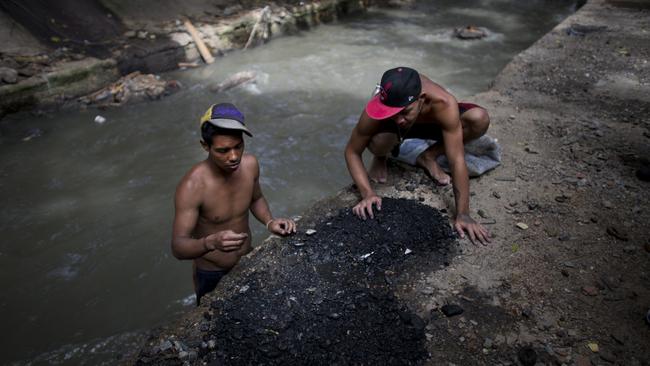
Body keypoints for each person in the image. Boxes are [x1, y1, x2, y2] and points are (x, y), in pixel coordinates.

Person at [344, 66, 491, 244]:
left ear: (421, 100)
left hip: (430, 121)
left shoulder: (444, 103)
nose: (399, 119)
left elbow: (457, 159)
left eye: (404, 112)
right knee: (379, 142)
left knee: (479, 118)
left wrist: (463, 214)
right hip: (393, 132)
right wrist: (367, 193)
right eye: (393, 114)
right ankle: (381, 156)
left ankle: (428, 156)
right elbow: (352, 151)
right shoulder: (380, 108)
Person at [172, 102, 296, 305]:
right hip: (212, 273)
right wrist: (210, 242)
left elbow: (256, 199)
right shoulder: (192, 186)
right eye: (223, 150)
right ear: (205, 146)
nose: (234, 157)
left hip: (246, 259)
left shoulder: (250, 165)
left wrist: (270, 222)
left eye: (238, 146)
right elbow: (178, 247)